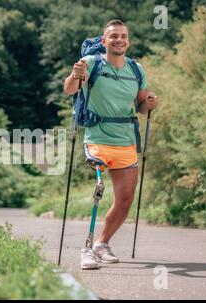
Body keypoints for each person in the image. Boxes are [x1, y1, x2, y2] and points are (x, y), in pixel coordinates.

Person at [63, 20, 159, 270]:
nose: (119, 40)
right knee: (99, 186)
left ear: (128, 40)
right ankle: (86, 251)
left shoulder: (136, 70)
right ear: (104, 41)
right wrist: (75, 75)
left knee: (126, 200)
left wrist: (148, 103)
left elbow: (140, 106)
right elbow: (69, 89)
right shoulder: (90, 63)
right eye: (113, 36)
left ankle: (101, 244)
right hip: (97, 138)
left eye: (123, 36)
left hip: (126, 141)